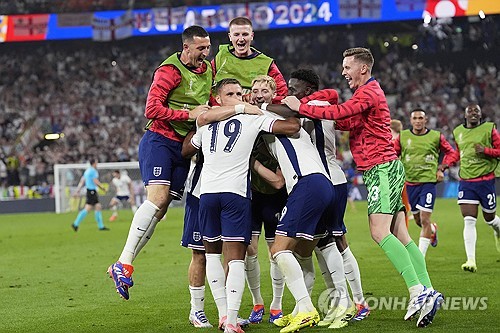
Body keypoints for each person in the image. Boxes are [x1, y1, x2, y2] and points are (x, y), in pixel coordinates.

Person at [282, 47, 443, 328]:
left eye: (347, 67)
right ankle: (427, 290)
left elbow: (342, 111)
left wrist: (300, 107)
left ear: (363, 69)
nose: (343, 72)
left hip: (380, 167)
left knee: (379, 232)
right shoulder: (365, 94)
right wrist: (316, 107)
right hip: (387, 168)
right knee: (401, 234)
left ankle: (417, 291)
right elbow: (344, 119)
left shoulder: (369, 92)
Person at [186, 78, 300, 333]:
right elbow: (292, 127)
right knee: (235, 258)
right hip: (235, 195)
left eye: (240, 93)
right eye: (232, 93)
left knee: (214, 255)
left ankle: (225, 316)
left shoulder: (207, 121)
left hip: (208, 194)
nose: (239, 96)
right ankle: (231, 322)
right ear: (219, 97)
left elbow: (187, 147)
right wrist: (268, 110)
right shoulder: (252, 118)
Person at [107, 25, 212, 300]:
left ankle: (124, 263)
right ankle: (124, 262)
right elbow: (151, 109)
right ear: (186, 47)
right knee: (157, 199)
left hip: (183, 147)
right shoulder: (170, 70)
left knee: (162, 207)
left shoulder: (208, 71)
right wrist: (190, 114)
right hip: (160, 141)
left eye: (208, 47)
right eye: (200, 48)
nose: (205, 52)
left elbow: (207, 102)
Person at [244, 75, 288, 324]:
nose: (259, 94)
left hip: (275, 196)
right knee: (250, 250)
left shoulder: (279, 123)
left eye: (264, 90)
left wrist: (253, 163)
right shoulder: (246, 119)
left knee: (275, 253)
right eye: (255, 90)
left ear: (273, 95)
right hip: (251, 195)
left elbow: (279, 180)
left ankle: (276, 305)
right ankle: (257, 303)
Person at [445, 104, 500, 272]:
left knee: (489, 218)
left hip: (486, 180)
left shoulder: (489, 129)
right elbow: (458, 152)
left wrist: (486, 150)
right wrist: (447, 163)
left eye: (477, 111)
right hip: (467, 181)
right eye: (470, 111)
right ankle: (470, 260)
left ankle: (497, 230)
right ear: (465, 115)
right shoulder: (458, 132)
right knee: (469, 220)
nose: (474, 113)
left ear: (481, 114)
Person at [394, 109, 455, 257]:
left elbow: (451, 152)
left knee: (424, 218)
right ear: (411, 120)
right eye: (415, 118)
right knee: (417, 220)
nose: (418, 121)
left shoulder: (436, 136)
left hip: (428, 182)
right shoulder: (403, 137)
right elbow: (393, 154)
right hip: (410, 184)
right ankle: (432, 230)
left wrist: (442, 167)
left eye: (420, 118)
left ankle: (420, 258)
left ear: (425, 120)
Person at [212, 16, 288, 102]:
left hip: (252, 111)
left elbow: (282, 93)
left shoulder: (266, 63)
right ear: (230, 37)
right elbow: (207, 83)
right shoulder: (221, 55)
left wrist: (260, 101)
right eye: (236, 35)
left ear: (252, 36)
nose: (241, 39)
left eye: (245, 34)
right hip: (219, 110)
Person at [71, 158, 108, 231]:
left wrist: (77, 190)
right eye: (96, 162)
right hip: (92, 191)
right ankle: (76, 223)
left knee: (98, 207)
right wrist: (103, 188)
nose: (97, 164)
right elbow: (95, 181)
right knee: (88, 208)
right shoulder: (93, 171)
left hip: (89, 191)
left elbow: (82, 181)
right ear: (94, 163)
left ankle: (101, 226)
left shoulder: (87, 171)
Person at [391, 119, 412, 227]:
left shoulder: (395, 141)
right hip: (403, 177)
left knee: (400, 207)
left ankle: (402, 235)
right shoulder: (406, 140)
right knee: (401, 207)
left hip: (399, 177)